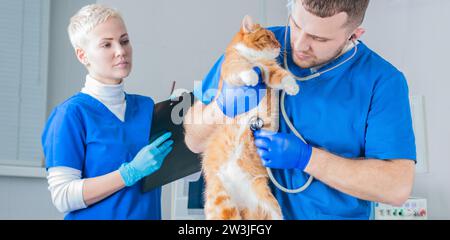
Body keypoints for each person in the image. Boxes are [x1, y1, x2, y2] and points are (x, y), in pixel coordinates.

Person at [184, 0, 416, 220]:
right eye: (296, 24)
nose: (300, 44)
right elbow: (194, 141)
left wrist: (306, 158)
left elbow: (396, 187)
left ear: (354, 35)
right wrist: (221, 108)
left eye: (319, 39)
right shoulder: (256, 45)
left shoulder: (382, 81)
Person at [42, 4, 173, 220]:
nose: (121, 51)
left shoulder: (146, 108)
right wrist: (129, 173)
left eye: (124, 41)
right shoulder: (71, 115)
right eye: (106, 45)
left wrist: (191, 111)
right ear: (83, 55)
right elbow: (62, 196)